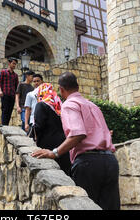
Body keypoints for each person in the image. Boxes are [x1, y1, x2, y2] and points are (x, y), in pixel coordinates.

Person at [32, 71, 120, 210]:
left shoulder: (69, 105)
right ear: (77, 86)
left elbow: (77, 135)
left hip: (88, 162)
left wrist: (54, 153)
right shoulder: (93, 106)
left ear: (61, 89)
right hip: (110, 161)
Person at [33, 83, 71, 175]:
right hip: (63, 147)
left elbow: (38, 126)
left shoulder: (41, 105)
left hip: (48, 147)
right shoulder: (60, 107)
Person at [0, 58, 19, 125]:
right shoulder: (3, 72)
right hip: (5, 94)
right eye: (13, 63)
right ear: (9, 63)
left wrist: (16, 96)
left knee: (10, 110)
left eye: (15, 64)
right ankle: (4, 125)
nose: (14, 65)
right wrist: (0, 91)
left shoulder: (15, 75)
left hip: (12, 95)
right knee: (5, 110)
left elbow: (17, 86)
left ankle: (6, 124)